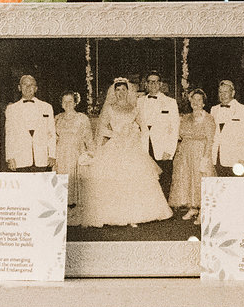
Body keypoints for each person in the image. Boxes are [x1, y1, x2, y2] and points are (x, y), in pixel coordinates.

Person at [79, 77, 172, 227]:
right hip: (115, 146)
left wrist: (133, 133)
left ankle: (135, 215)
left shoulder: (134, 108)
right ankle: (115, 215)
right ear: (114, 92)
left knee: (134, 180)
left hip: (132, 147)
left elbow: (143, 128)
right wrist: (115, 134)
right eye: (118, 90)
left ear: (128, 91)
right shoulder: (110, 108)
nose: (121, 93)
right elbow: (102, 129)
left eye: (123, 90)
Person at [170, 87, 216, 219]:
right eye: (193, 100)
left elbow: (210, 139)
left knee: (199, 180)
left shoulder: (208, 118)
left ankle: (203, 210)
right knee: (188, 179)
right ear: (190, 102)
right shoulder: (186, 118)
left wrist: (205, 158)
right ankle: (193, 208)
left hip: (200, 152)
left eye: (199, 100)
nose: (196, 103)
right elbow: (180, 134)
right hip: (186, 153)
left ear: (204, 103)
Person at [137, 70, 180, 198]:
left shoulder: (170, 102)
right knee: (146, 179)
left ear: (160, 84)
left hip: (162, 148)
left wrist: (170, 151)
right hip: (144, 146)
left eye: (155, 82)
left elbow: (175, 128)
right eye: (150, 82)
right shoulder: (139, 102)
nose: (153, 85)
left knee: (164, 179)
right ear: (146, 84)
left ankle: (164, 212)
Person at [3, 73, 55, 171]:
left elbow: (51, 134)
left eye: (31, 85)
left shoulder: (47, 107)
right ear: (19, 87)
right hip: (20, 160)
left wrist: (52, 154)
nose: (28, 87)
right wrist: (10, 157)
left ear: (36, 88)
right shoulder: (11, 109)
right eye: (25, 84)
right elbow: (9, 135)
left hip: (42, 159)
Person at [53, 89, 92, 207]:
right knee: (61, 184)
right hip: (60, 155)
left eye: (70, 101)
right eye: (64, 101)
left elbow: (89, 138)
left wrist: (90, 154)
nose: (67, 104)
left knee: (74, 184)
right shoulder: (57, 118)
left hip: (76, 155)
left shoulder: (82, 118)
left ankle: (75, 213)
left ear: (75, 103)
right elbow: (53, 138)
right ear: (61, 104)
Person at [211, 79, 244, 176]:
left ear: (233, 93)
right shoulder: (214, 109)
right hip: (215, 159)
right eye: (220, 92)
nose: (223, 95)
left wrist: (243, 159)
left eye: (226, 92)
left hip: (234, 160)